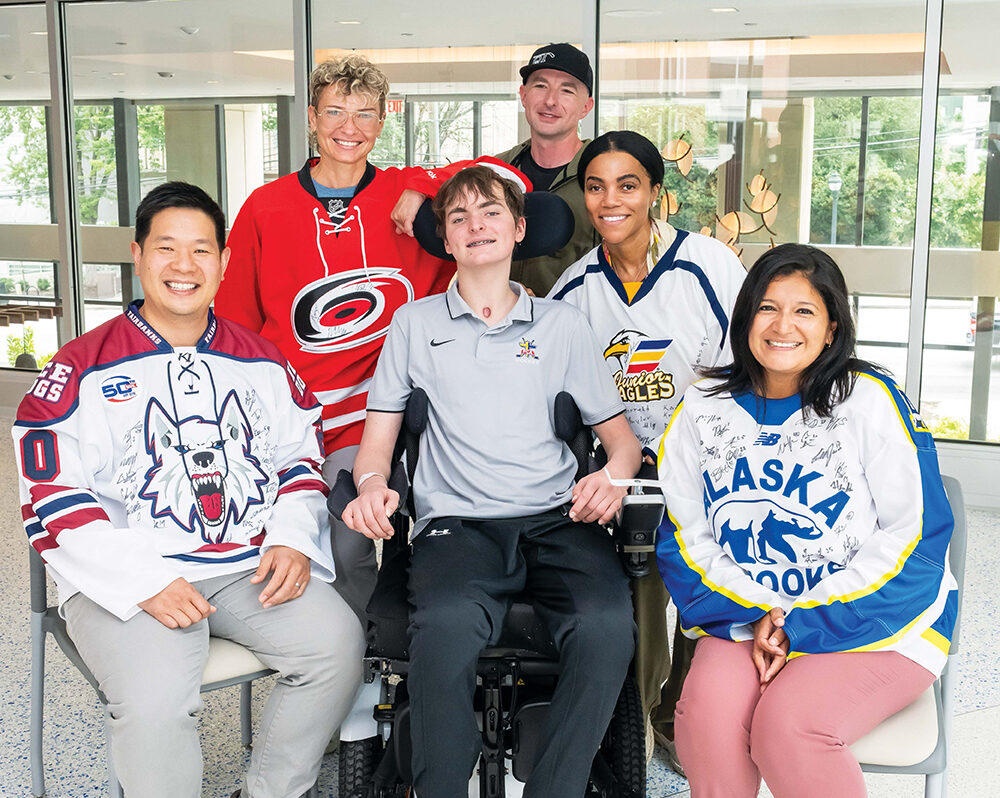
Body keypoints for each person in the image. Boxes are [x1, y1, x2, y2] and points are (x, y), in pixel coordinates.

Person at [13, 182, 366, 798]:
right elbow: (50, 496)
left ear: (224, 262)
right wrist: (144, 580)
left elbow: (299, 459)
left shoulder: (261, 359)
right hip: (125, 575)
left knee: (336, 648)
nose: (184, 266)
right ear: (138, 254)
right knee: (155, 705)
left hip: (242, 564)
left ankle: (267, 791)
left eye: (202, 250)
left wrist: (289, 538)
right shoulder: (80, 366)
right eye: (167, 248)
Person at [342, 165, 642, 797]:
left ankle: (554, 787)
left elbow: (621, 443)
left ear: (519, 229)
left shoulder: (563, 325)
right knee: (446, 625)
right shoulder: (413, 325)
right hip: (458, 526)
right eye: (459, 217)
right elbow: (377, 445)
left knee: (608, 628)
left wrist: (612, 479)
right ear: (446, 240)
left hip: (560, 519)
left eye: (491, 213)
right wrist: (371, 486)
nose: (476, 225)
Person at [656, 243, 957, 796]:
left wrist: (800, 623)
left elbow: (915, 536)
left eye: (803, 311)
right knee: (704, 719)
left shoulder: (868, 400)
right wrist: (759, 615)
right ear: (745, 318)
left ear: (831, 325)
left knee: (790, 729)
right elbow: (683, 535)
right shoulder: (702, 406)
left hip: (876, 621)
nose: (782, 326)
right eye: (767, 308)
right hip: (746, 615)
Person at [216, 55, 488, 623]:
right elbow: (236, 321)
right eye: (335, 111)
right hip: (291, 410)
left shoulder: (403, 198)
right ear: (312, 117)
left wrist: (420, 185)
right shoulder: (265, 208)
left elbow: (491, 177)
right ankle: (326, 648)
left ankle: (359, 652)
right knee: (287, 539)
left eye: (365, 113)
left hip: (377, 411)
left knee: (350, 542)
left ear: (383, 120)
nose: (350, 126)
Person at [548, 130, 747, 759]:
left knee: (710, 597)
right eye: (596, 186)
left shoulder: (708, 264)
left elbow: (752, 360)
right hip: (625, 467)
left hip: (713, 455)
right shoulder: (577, 288)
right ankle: (634, 725)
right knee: (638, 595)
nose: (611, 200)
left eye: (628, 185)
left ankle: (689, 719)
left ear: (655, 192)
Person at [392, 42, 597, 296]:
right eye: (540, 86)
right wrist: (419, 190)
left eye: (566, 90)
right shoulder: (497, 171)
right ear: (523, 95)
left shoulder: (601, 174)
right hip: (494, 327)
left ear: (586, 106)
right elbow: (454, 183)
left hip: (577, 327)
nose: (550, 100)